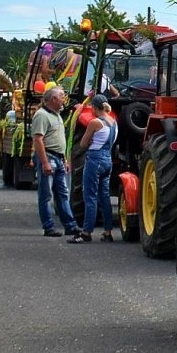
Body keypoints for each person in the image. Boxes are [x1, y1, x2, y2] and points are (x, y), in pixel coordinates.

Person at [30, 84, 80, 238]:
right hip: (49, 157)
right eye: (61, 97)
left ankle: (70, 226)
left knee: (62, 194)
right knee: (46, 195)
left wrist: (64, 158)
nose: (64, 100)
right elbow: (38, 140)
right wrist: (45, 162)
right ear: (53, 99)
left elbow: (59, 139)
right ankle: (48, 227)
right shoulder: (41, 115)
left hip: (58, 158)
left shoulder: (56, 114)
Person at [71, 94, 118, 243]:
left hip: (95, 159)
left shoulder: (94, 123)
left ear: (94, 108)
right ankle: (107, 232)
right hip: (107, 159)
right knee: (104, 197)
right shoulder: (114, 122)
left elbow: (83, 144)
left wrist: (91, 139)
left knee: (90, 196)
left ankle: (86, 232)